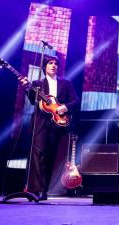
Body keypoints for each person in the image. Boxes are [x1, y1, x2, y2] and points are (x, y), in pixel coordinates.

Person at [23, 55, 79, 200]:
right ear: (45, 67)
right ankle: (37, 189)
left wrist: (65, 107)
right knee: (38, 154)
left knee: (49, 156)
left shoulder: (66, 84)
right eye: (50, 63)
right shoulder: (37, 83)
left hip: (57, 123)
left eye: (55, 64)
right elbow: (32, 101)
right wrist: (27, 89)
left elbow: (75, 101)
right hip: (40, 122)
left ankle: (44, 190)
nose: (53, 65)